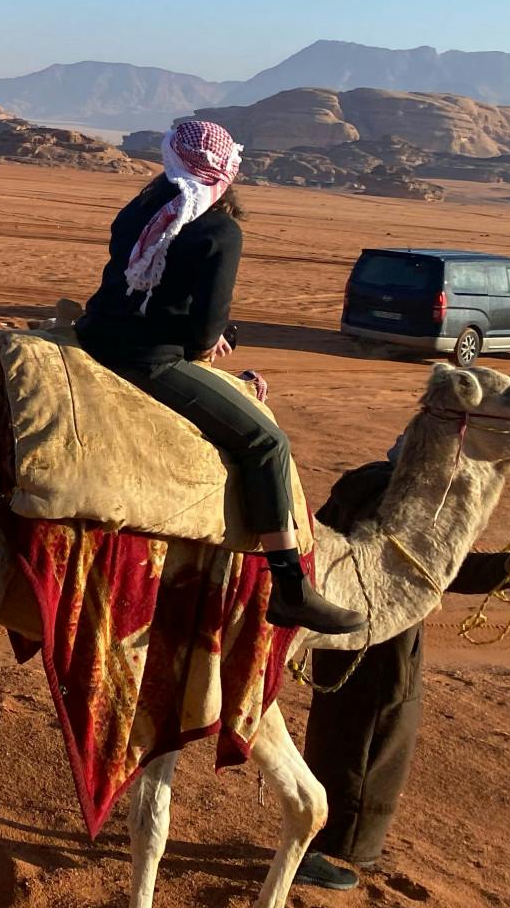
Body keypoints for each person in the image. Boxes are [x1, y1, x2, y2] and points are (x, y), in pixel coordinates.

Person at [73, 119, 365, 634]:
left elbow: (133, 282)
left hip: (93, 335)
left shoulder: (140, 208)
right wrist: (212, 336)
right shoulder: (219, 230)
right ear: (225, 172)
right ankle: (291, 589)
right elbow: (204, 335)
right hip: (147, 359)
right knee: (266, 441)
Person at [292, 460, 510, 890]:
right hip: (383, 641)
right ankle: (323, 850)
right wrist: (500, 569)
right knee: (370, 744)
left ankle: (316, 841)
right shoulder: (398, 503)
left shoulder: (361, 485)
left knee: (341, 735)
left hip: (342, 630)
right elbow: (433, 564)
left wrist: (501, 567)